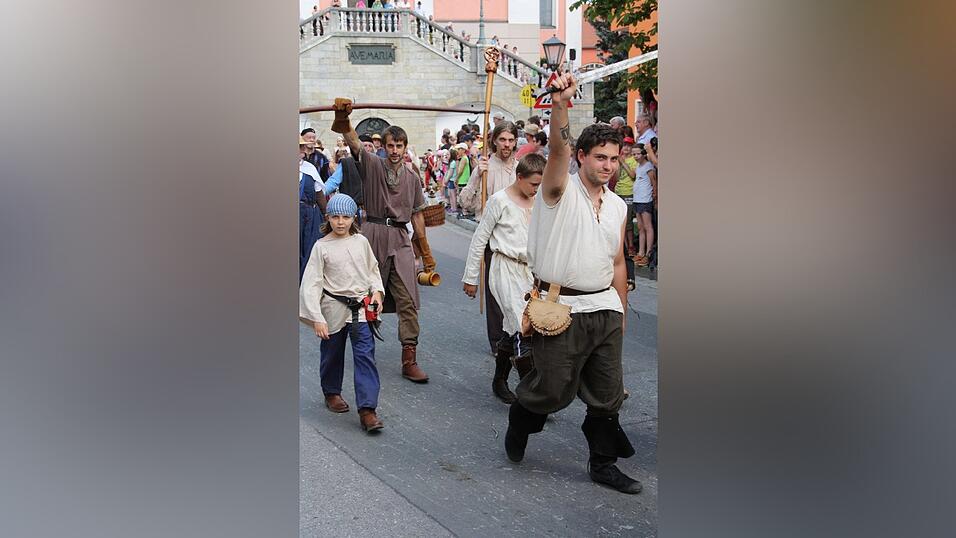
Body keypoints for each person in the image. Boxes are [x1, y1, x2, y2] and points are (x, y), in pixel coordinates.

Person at [504, 71, 643, 495]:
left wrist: (619, 311)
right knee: (552, 392)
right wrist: (561, 103)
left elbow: (618, 260)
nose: (608, 165)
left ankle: (603, 464)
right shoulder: (557, 190)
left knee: (607, 394)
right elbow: (558, 149)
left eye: (614, 158)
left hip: (603, 308)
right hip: (559, 309)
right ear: (582, 157)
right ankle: (522, 419)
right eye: (600, 157)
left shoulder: (619, 206)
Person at [332, 98, 435, 383]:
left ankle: (409, 358)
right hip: (374, 235)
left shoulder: (413, 176)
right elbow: (353, 142)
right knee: (367, 296)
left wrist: (425, 253)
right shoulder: (373, 165)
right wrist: (345, 119)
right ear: (383, 146)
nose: (395, 151)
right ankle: (366, 352)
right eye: (390, 145)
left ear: (405, 147)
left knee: (408, 299)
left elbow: (417, 216)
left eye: (399, 146)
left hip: (401, 238)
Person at [462, 154, 545, 403]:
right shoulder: (499, 201)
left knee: (512, 328)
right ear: (519, 177)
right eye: (533, 184)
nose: (536, 189)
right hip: (504, 269)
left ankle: (499, 379)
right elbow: (479, 239)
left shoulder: (540, 201)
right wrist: (471, 277)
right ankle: (533, 394)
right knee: (523, 327)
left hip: (530, 273)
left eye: (540, 185)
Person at [299, 194, 386, 432]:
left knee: (365, 356)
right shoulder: (321, 247)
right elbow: (311, 283)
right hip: (333, 309)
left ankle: (368, 409)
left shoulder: (361, 242)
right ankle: (332, 392)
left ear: (353, 218)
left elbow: (372, 270)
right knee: (332, 354)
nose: (340, 222)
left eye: (346, 217)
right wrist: (317, 318)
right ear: (328, 218)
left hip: (360, 310)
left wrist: (377, 292)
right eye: (335, 217)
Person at [458, 121, 519, 356]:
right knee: (495, 292)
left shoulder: (519, 167)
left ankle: (517, 336)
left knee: (517, 291)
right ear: (494, 141)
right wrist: (477, 177)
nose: (507, 145)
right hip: (492, 238)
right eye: (503, 140)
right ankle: (498, 341)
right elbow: (465, 203)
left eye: (511, 140)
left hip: (516, 237)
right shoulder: (484, 166)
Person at [300, 136, 327, 281]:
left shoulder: (309, 169)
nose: (301, 150)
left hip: (309, 217)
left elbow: (319, 195)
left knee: (309, 251)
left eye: (301, 147)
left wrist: (327, 216)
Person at [615, 137, 638, 288]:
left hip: (629, 192)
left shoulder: (633, 161)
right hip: (618, 190)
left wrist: (623, 162)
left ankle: (630, 248)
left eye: (630, 146)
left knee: (628, 223)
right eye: (625, 146)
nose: (627, 149)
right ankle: (627, 246)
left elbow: (633, 175)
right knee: (622, 224)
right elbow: (616, 177)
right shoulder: (619, 161)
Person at [632, 144, 656, 267]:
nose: (635, 156)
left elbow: (654, 183)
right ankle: (640, 252)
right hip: (637, 199)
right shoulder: (638, 166)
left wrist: (654, 197)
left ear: (643, 153)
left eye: (638, 154)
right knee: (641, 227)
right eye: (634, 154)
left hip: (645, 200)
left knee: (647, 227)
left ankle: (648, 253)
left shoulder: (648, 166)